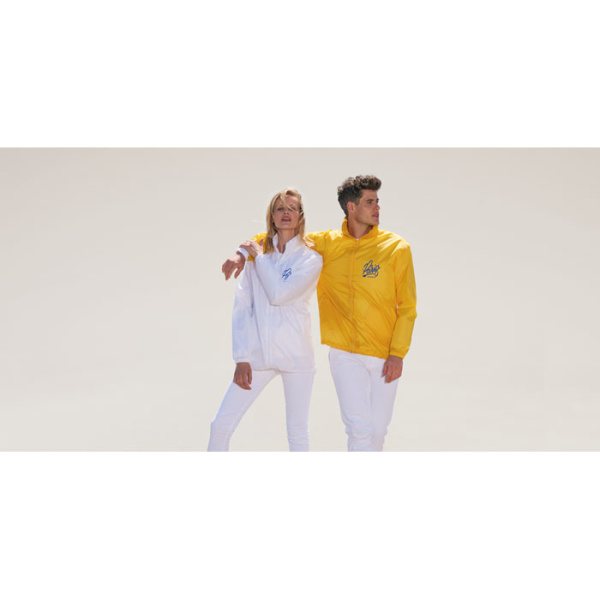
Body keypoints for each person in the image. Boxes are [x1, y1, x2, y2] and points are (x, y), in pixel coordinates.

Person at [222, 175, 417, 451]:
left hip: (384, 354)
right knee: (358, 429)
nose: (377, 207)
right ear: (351, 207)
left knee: (377, 431)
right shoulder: (326, 243)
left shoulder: (397, 247)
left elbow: (407, 306)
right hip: (344, 354)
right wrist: (241, 254)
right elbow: (277, 235)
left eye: (377, 201)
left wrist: (397, 353)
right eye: (369, 202)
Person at [208, 188, 323, 451]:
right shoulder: (255, 258)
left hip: (296, 356)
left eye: (292, 208)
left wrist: (256, 256)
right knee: (220, 426)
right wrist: (242, 357)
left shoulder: (310, 259)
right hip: (258, 356)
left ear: (300, 216)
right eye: (280, 208)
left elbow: (279, 294)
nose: (286, 213)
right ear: (271, 216)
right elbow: (242, 308)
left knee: (297, 433)